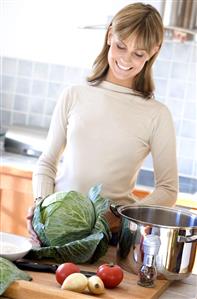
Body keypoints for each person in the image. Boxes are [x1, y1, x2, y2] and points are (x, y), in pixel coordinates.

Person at [27, 2, 178, 245]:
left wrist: (121, 216)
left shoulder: (157, 115)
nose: (126, 59)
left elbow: (168, 189)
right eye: (121, 46)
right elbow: (47, 163)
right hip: (55, 231)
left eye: (139, 54)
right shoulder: (74, 95)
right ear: (110, 35)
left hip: (110, 238)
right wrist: (41, 205)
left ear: (153, 52)